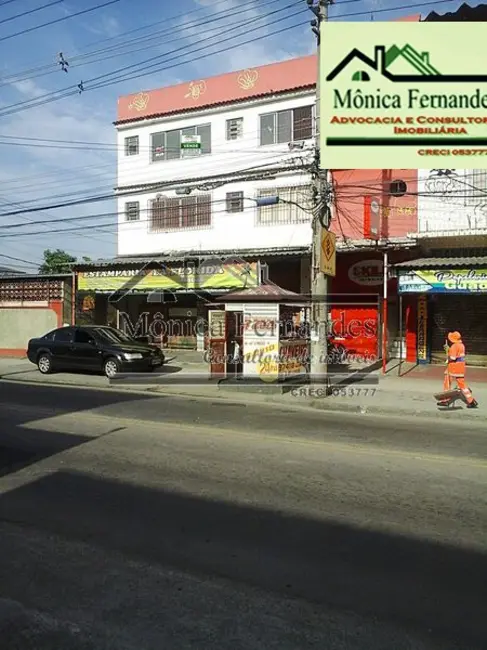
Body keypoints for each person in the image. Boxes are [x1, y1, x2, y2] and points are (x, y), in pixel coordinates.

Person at [439, 331, 478, 408]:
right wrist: (449, 350)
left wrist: (448, 358)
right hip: (461, 367)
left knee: (447, 382)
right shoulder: (461, 345)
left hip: (453, 367)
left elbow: (453, 357)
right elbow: (457, 355)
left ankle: (445, 400)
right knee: (462, 384)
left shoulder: (454, 346)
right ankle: (471, 401)